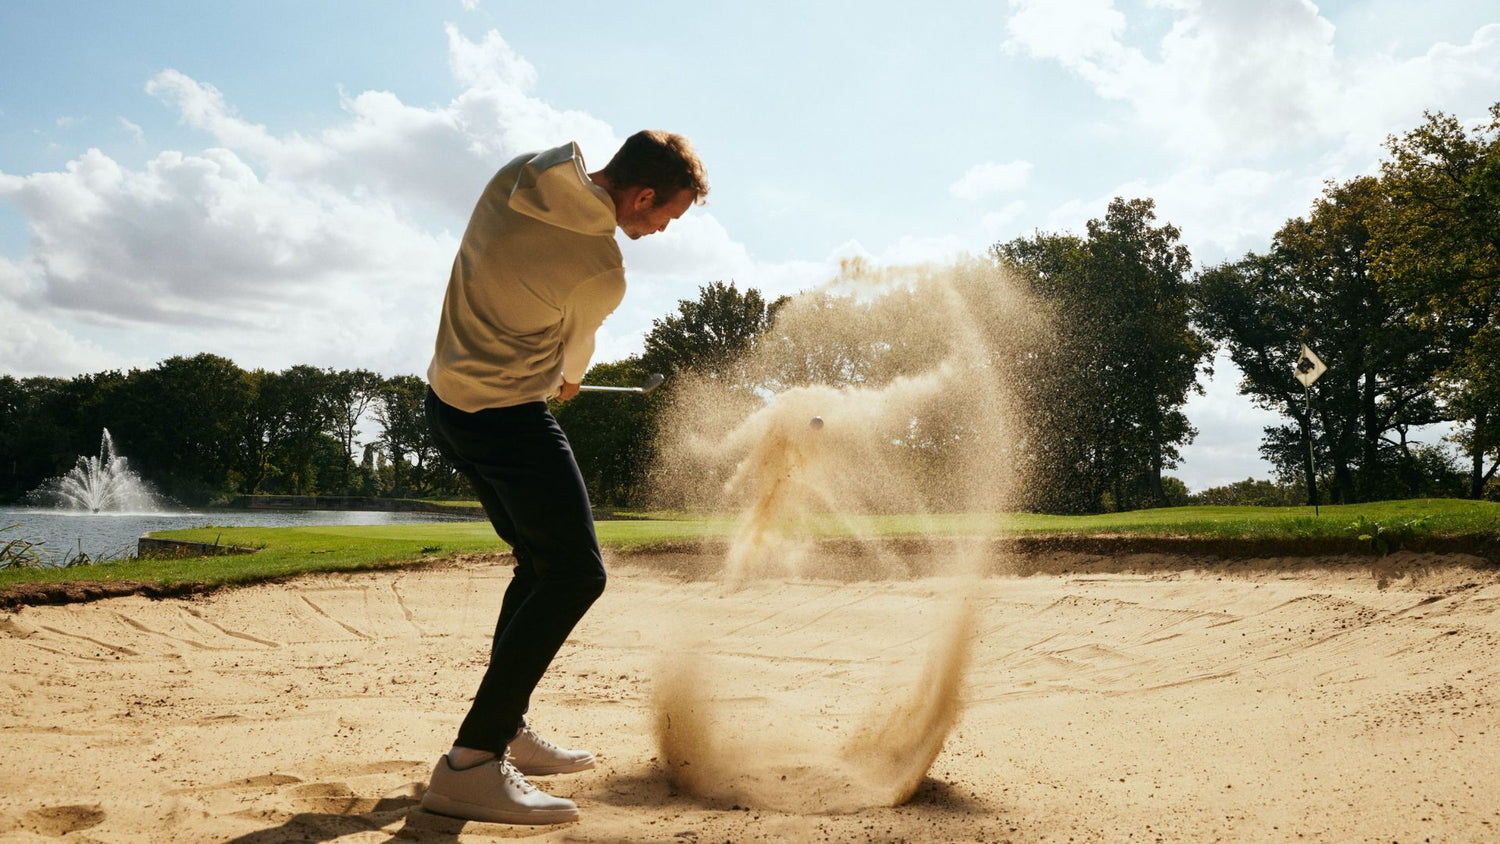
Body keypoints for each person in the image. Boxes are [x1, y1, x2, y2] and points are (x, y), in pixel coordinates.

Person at [419, 131, 708, 825]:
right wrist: (569, 378)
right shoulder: (602, 267)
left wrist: (557, 369)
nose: (662, 228)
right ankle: (472, 763)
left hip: (445, 402)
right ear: (643, 195)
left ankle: (507, 724)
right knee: (579, 573)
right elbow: (570, 362)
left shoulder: (519, 174)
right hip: (506, 418)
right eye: (667, 215)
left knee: (538, 565)